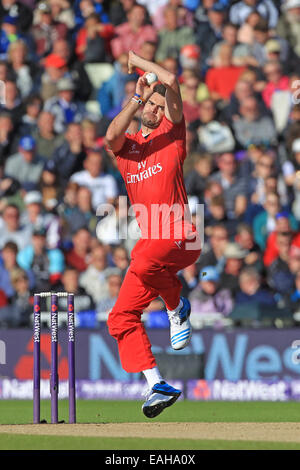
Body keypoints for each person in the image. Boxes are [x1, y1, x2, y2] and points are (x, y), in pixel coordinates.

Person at [105, 50, 201, 418]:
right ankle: (156, 384)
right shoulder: (127, 150)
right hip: (151, 252)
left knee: (142, 258)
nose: (156, 110)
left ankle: (176, 305)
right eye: (152, 104)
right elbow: (112, 134)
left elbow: (173, 82)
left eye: (161, 107)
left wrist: (138, 61)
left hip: (182, 236)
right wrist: (138, 93)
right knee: (120, 318)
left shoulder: (173, 135)